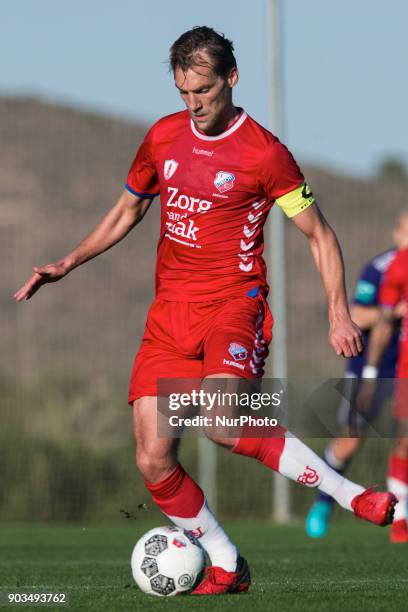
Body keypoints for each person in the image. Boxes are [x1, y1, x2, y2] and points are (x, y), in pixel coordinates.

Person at [14, 27, 397, 595]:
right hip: (170, 313)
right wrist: (68, 262)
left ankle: (350, 495)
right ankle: (226, 563)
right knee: (152, 458)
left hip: (233, 306)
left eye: (203, 90)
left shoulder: (265, 154)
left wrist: (338, 313)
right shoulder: (163, 138)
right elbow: (127, 209)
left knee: (220, 421)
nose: (193, 104)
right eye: (183, 92)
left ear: (231, 79)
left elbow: (319, 235)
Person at [306, 211, 408, 542]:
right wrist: (390, 312)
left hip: (402, 367)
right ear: (397, 232)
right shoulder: (380, 269)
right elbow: (358, 314)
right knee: (351, 439)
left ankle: (400, 518)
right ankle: (323, 502)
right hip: (369, 368)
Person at [353, 211, 408, 544]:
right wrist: (371, 375)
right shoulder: (399, 266)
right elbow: (384, 324)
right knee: (404, 442)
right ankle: (401, 519)